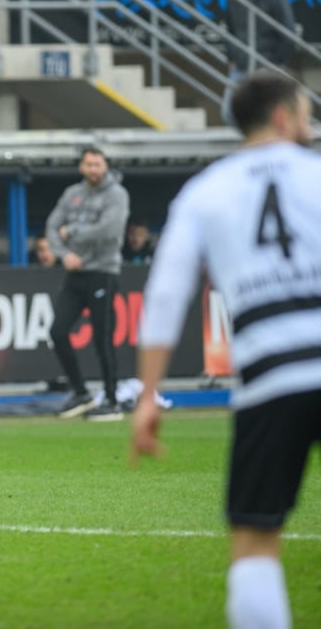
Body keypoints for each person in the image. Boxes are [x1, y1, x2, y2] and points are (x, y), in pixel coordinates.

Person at [132, 70, 318, 629]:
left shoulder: (205, 191)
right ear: (285, 117)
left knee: (257, 542)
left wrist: (148, 395)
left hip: (269, 381)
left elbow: (166, 296)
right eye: (309, 114)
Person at [45, 146, 130, 421]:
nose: (93, 169)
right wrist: (64, 253)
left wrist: (73, 232)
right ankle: (81, 392)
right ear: (82, 167)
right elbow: (51, 227)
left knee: (103, 338)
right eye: (88, 164)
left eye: (97, 164)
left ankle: (112, 400)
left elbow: (110, 230)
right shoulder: (73, 194)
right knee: (58, 331)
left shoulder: (117, 194)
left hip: (103, 272)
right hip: (76, 272)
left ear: (105, 166)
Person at [220, 0, 295, 126]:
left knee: (271, 112)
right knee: (229, 112)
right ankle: (252, 141)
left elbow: (288, 35)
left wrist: (275, 63)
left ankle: (269, 142)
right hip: (241, 66)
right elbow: (230, 30)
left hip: (268, 66)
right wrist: (232, 58)